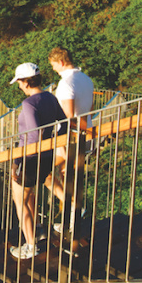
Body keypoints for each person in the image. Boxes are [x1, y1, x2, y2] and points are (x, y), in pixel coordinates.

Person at [9, 62, 67, 260]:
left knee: (20, 201)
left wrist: (18, 161)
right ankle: (36, 231)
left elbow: (33, 136)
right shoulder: (50, 97)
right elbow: (64, 123)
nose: (18, 86)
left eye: (19, 82)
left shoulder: (29, 104)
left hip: (31, 158)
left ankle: (31, 245)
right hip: (47, 156)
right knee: (30, 195)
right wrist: (55, 142)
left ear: (26, 82)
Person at [46, 47, 95, 216]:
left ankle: (73, 208)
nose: (53, 69)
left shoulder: (66, 83)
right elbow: (91, 109)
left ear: (60, 62)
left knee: (44, 172)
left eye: (53, 65)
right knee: (65, 173)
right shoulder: (87, 80)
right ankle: (73, 210)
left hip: (69, 137)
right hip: (86, 133)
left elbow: (67, 116)